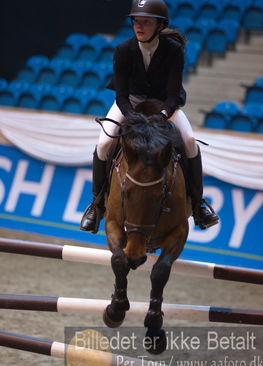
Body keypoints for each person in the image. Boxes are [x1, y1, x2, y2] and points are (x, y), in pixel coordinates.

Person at [80, 0, 219, 234]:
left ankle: (198, 204)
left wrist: (164, 114)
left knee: (189, 141)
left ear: (159, 24)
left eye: (145, 22)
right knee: (104, 142)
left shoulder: (174, 50)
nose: (139, 26)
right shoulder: (124, 50)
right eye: (136, 21)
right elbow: (122, 96)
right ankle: (96, 204)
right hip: (131, 102)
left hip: (162, 103)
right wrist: (134, 118)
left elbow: (173, 94)